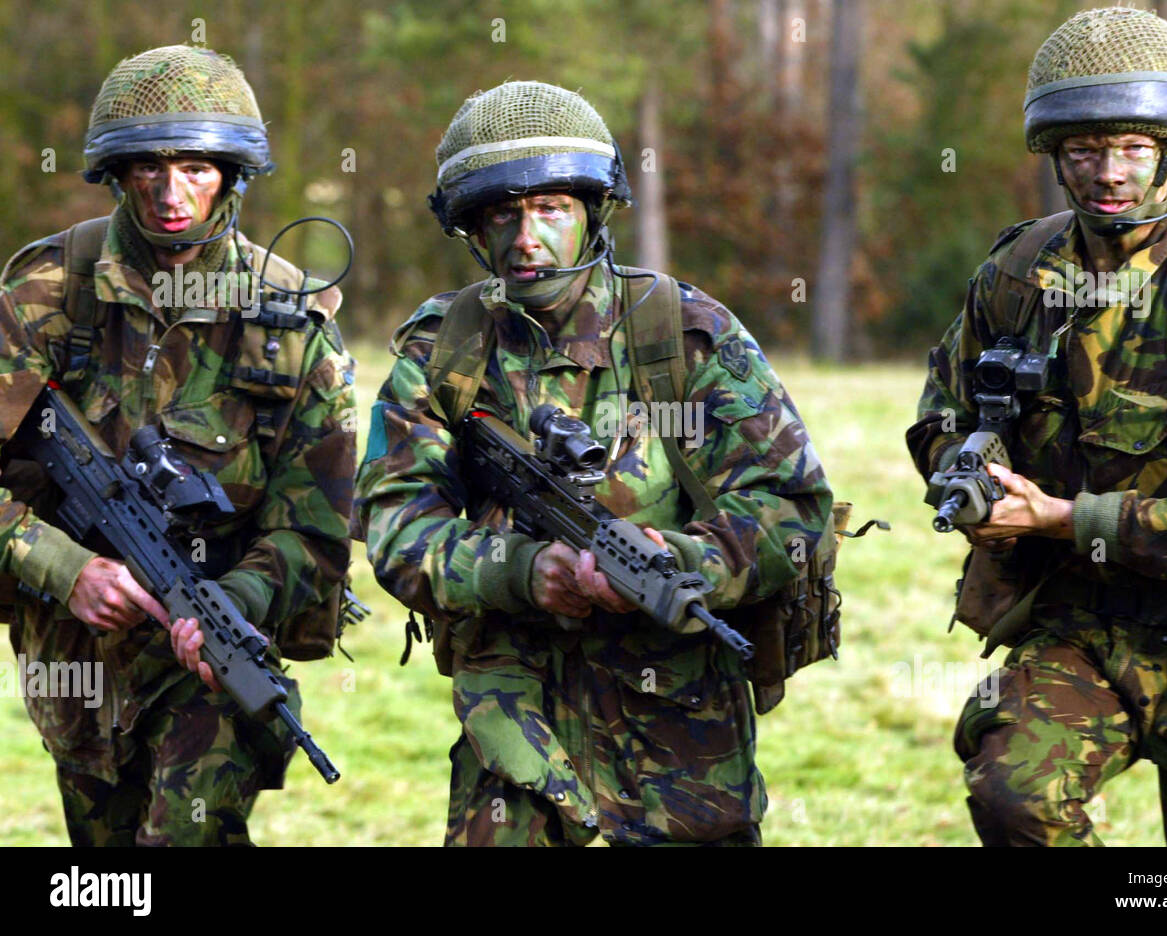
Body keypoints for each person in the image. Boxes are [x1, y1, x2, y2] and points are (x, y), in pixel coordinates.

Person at [352, 80, 834, 846]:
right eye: (503, 214)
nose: (525, 238)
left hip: (677, 701)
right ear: (473, 229)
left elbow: (793, 511)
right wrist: (522, 571)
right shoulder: (442, 350)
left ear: (593, 211)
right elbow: (391, 521)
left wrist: (682, 559)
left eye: (550, 209)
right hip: (514, 701)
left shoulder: (687, 334)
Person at [908, 5, 1167, 846]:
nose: (1108, 173)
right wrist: (970, 484)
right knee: (1014, 793)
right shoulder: (1017, 275)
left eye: (1132, 147)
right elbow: (942, 408)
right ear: (1053, 154)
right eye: (1083, 150)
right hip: (1079, 624)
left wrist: (1059, 518)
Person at [0, 45, 357, 845]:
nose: (170, 194)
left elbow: (318, 525)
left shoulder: (292, 319)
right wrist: (59, 565)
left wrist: (245, 602)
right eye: (148, 168)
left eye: (195, 168)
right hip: (76, 658)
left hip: (213, 651)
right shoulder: (48, 293)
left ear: (232, 173)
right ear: (115, 172)